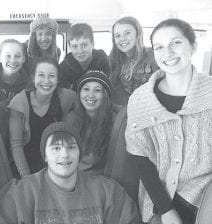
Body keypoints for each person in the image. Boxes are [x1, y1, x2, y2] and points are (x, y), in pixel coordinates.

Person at [125, 18, 212, 224]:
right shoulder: (140, 100)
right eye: (159, 47)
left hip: (207, 194)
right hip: (158, 198)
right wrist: (165, 210)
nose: (167, 52)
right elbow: (141, 159)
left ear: (193, 46)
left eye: (176, 43)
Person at [0, 121, 141, 224]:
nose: (65, 154)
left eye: (71, 147)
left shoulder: (106, 191)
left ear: (79, 154)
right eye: (56, 148)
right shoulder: (21, 193)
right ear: (45, 156)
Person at [8, 57, 76, 178]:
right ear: (33, 78)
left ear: (58, 79)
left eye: (51, 76)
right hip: (25, 165)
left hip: (56, 162)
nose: (46, 81)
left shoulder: (67, 97)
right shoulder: (19, 102)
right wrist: (27, 177)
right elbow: (16, 145)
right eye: (41, 75)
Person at [66, 70, 114, 175]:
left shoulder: (115, 122)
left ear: (105, 95)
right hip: (76, 178)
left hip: (105, 180)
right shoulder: (71, 120)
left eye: (97, 90)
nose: (90, 95)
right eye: (86, 89)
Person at [109, 16, 159, 107]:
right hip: (130, 111)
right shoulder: (115, 60)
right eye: (117, 35)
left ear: (137, 34)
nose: (122, 38)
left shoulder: (154, 55)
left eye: (127, 33)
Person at [59, 23, 110, 91]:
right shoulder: (63, 68)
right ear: (70, 47)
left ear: (93, 44)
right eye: (75, 46)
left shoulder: (105, 62)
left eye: (84, 45)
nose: (80, 51)